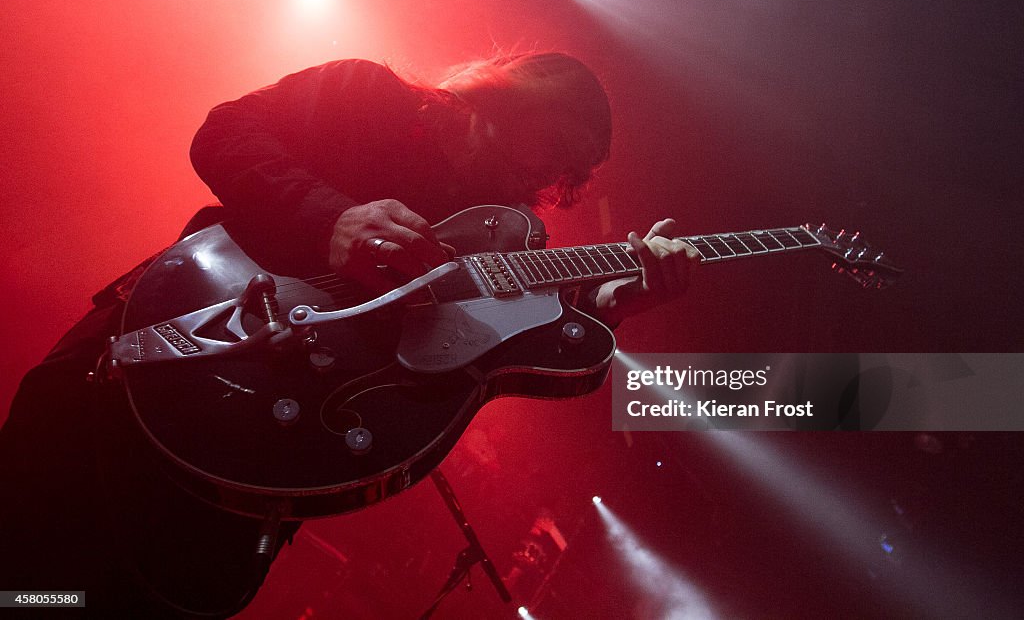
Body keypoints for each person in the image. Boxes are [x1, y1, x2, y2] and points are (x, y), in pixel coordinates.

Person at [0, 52, 696, 617]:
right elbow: (224, 132)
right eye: (558, 148)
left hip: (252, 462)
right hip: (156, 352)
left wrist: (608, 307)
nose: (551, 176)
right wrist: (330, 218)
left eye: (568, 175)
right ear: (524, 94)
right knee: (25, 556)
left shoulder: (496, 238)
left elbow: (512, 346)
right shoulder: (371, 94)